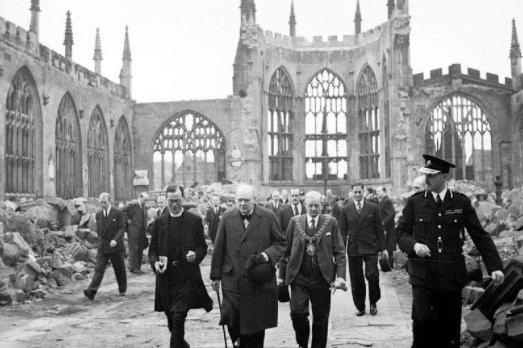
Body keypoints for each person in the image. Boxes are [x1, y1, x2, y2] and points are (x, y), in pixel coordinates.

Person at [397, 155, 504, 348]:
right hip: (423, 275)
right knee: (423, 324)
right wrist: (414, 245)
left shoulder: (460, 203)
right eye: (425, 175)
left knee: (449, 329)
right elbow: (400, 233)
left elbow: (480, 236)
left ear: (444, 176)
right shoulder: (416, 202)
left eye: (432, 175)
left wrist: (495, 267)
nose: (426, 180)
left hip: (450, 276)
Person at [211, 184, 286, 348]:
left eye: (247, 200)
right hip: (232, 278)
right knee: (232, 318)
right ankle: (237, 341)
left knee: (256, 324)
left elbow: (281, 243)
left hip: (258, 279)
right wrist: (215, 276)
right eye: (240, 200)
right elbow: (219, 247)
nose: (243, 204)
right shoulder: (227, 217)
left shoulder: (267, 216)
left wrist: (267, 255)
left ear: (255, 200)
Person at [149, 185, 212, 348]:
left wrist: (195, 256)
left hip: (186, 277)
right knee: (171, 319)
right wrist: (155, 262)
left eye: (177, 201)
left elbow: (202, 247)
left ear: (182, 200)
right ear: (166, 201)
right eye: (171, 201)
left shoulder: (194, 221)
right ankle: (182, 345)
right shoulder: (159, 222)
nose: (174, 205)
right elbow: (152, 251)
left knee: (178, 316)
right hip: (166, 278)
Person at [282, 191, 347, 348]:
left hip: (322, 278)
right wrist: (280, 276)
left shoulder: (330, 222)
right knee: (297, 313)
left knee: (321, 318)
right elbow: (285, 250)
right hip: (299, 276)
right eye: (310, 205)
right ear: (305, 205)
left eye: (316, 205)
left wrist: (340, 277)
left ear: (322, 206)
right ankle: (302, 343)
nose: (313, 209)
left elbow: (339, 252)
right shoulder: (294, 221)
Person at [339, 183, 387, 316]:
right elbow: (342, 231)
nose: (357, 195)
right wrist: (340, 249)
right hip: (354, 248)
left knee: (372, 275)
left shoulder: (373, 208)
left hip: (371, 247)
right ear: (352, 193)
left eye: (360, 192)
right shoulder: (346, 209)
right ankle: (360, 306)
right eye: (355, 192)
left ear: (364, 192)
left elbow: (379, 229)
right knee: (356, 278)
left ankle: (373, 302)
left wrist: (383, 248)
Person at [84, 192, 127, 300]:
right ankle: (91, 291)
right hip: (103, 247)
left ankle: (122, 289)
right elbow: (99, 231)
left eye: (105, 202)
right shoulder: (98, 215)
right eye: (102, 202)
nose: (103, 204)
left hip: (115, 247)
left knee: (119, 269)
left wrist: (115, 240)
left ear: (110, 201)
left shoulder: (117, 213)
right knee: (99, 269)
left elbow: (122, 229)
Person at [122, 192, 149, 274]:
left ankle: (138, 267)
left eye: (146, 200)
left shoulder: (144, 206)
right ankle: (133, 268)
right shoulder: (132, 204)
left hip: (141, 231)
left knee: (140, 248)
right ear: (140, 197)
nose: (145, 202)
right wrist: (128, 220)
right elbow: (122, 211)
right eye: (144, 200)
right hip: (133, 230)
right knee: (134, 249)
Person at [376, 187, 396, 268]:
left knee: (389, 246)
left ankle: (389, 265)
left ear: (384, 191)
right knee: (386, 246)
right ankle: (387, 265)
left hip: (388, 228)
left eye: (379, 191)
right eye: (376, 191)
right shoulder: (382, 200)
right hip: (385, 228)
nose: (377, 192)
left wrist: (383, 223)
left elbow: (391, 213)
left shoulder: (386, 200)